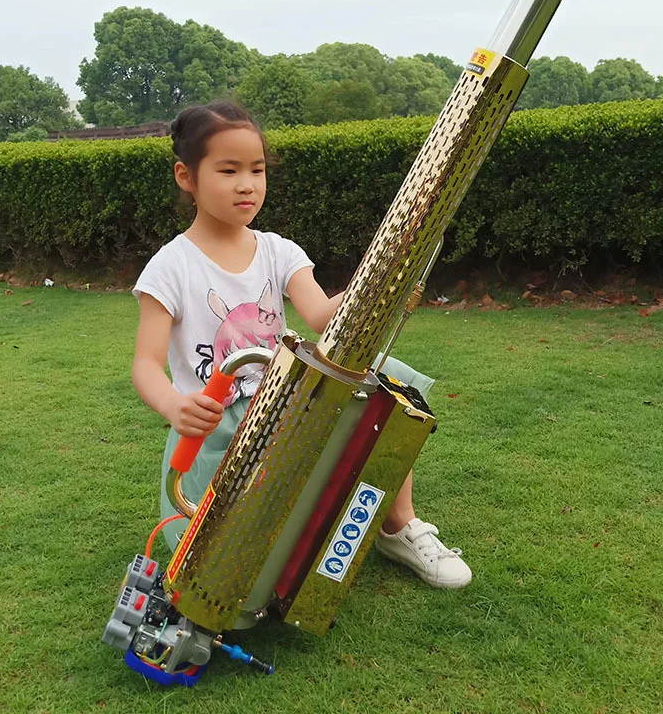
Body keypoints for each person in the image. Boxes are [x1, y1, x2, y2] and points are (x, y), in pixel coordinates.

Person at [131, 101, 471, 590]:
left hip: (286, 397)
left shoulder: (277, 249)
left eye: (257, 170)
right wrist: (174, 405)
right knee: (222, 567)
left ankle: (399, 525)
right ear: (187, 176)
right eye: (228, 170)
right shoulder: (171, 267)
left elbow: (319, 316)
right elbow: (145, 364)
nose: (247, 184)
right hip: (217, 420)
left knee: (384, 381)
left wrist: (378, 283)